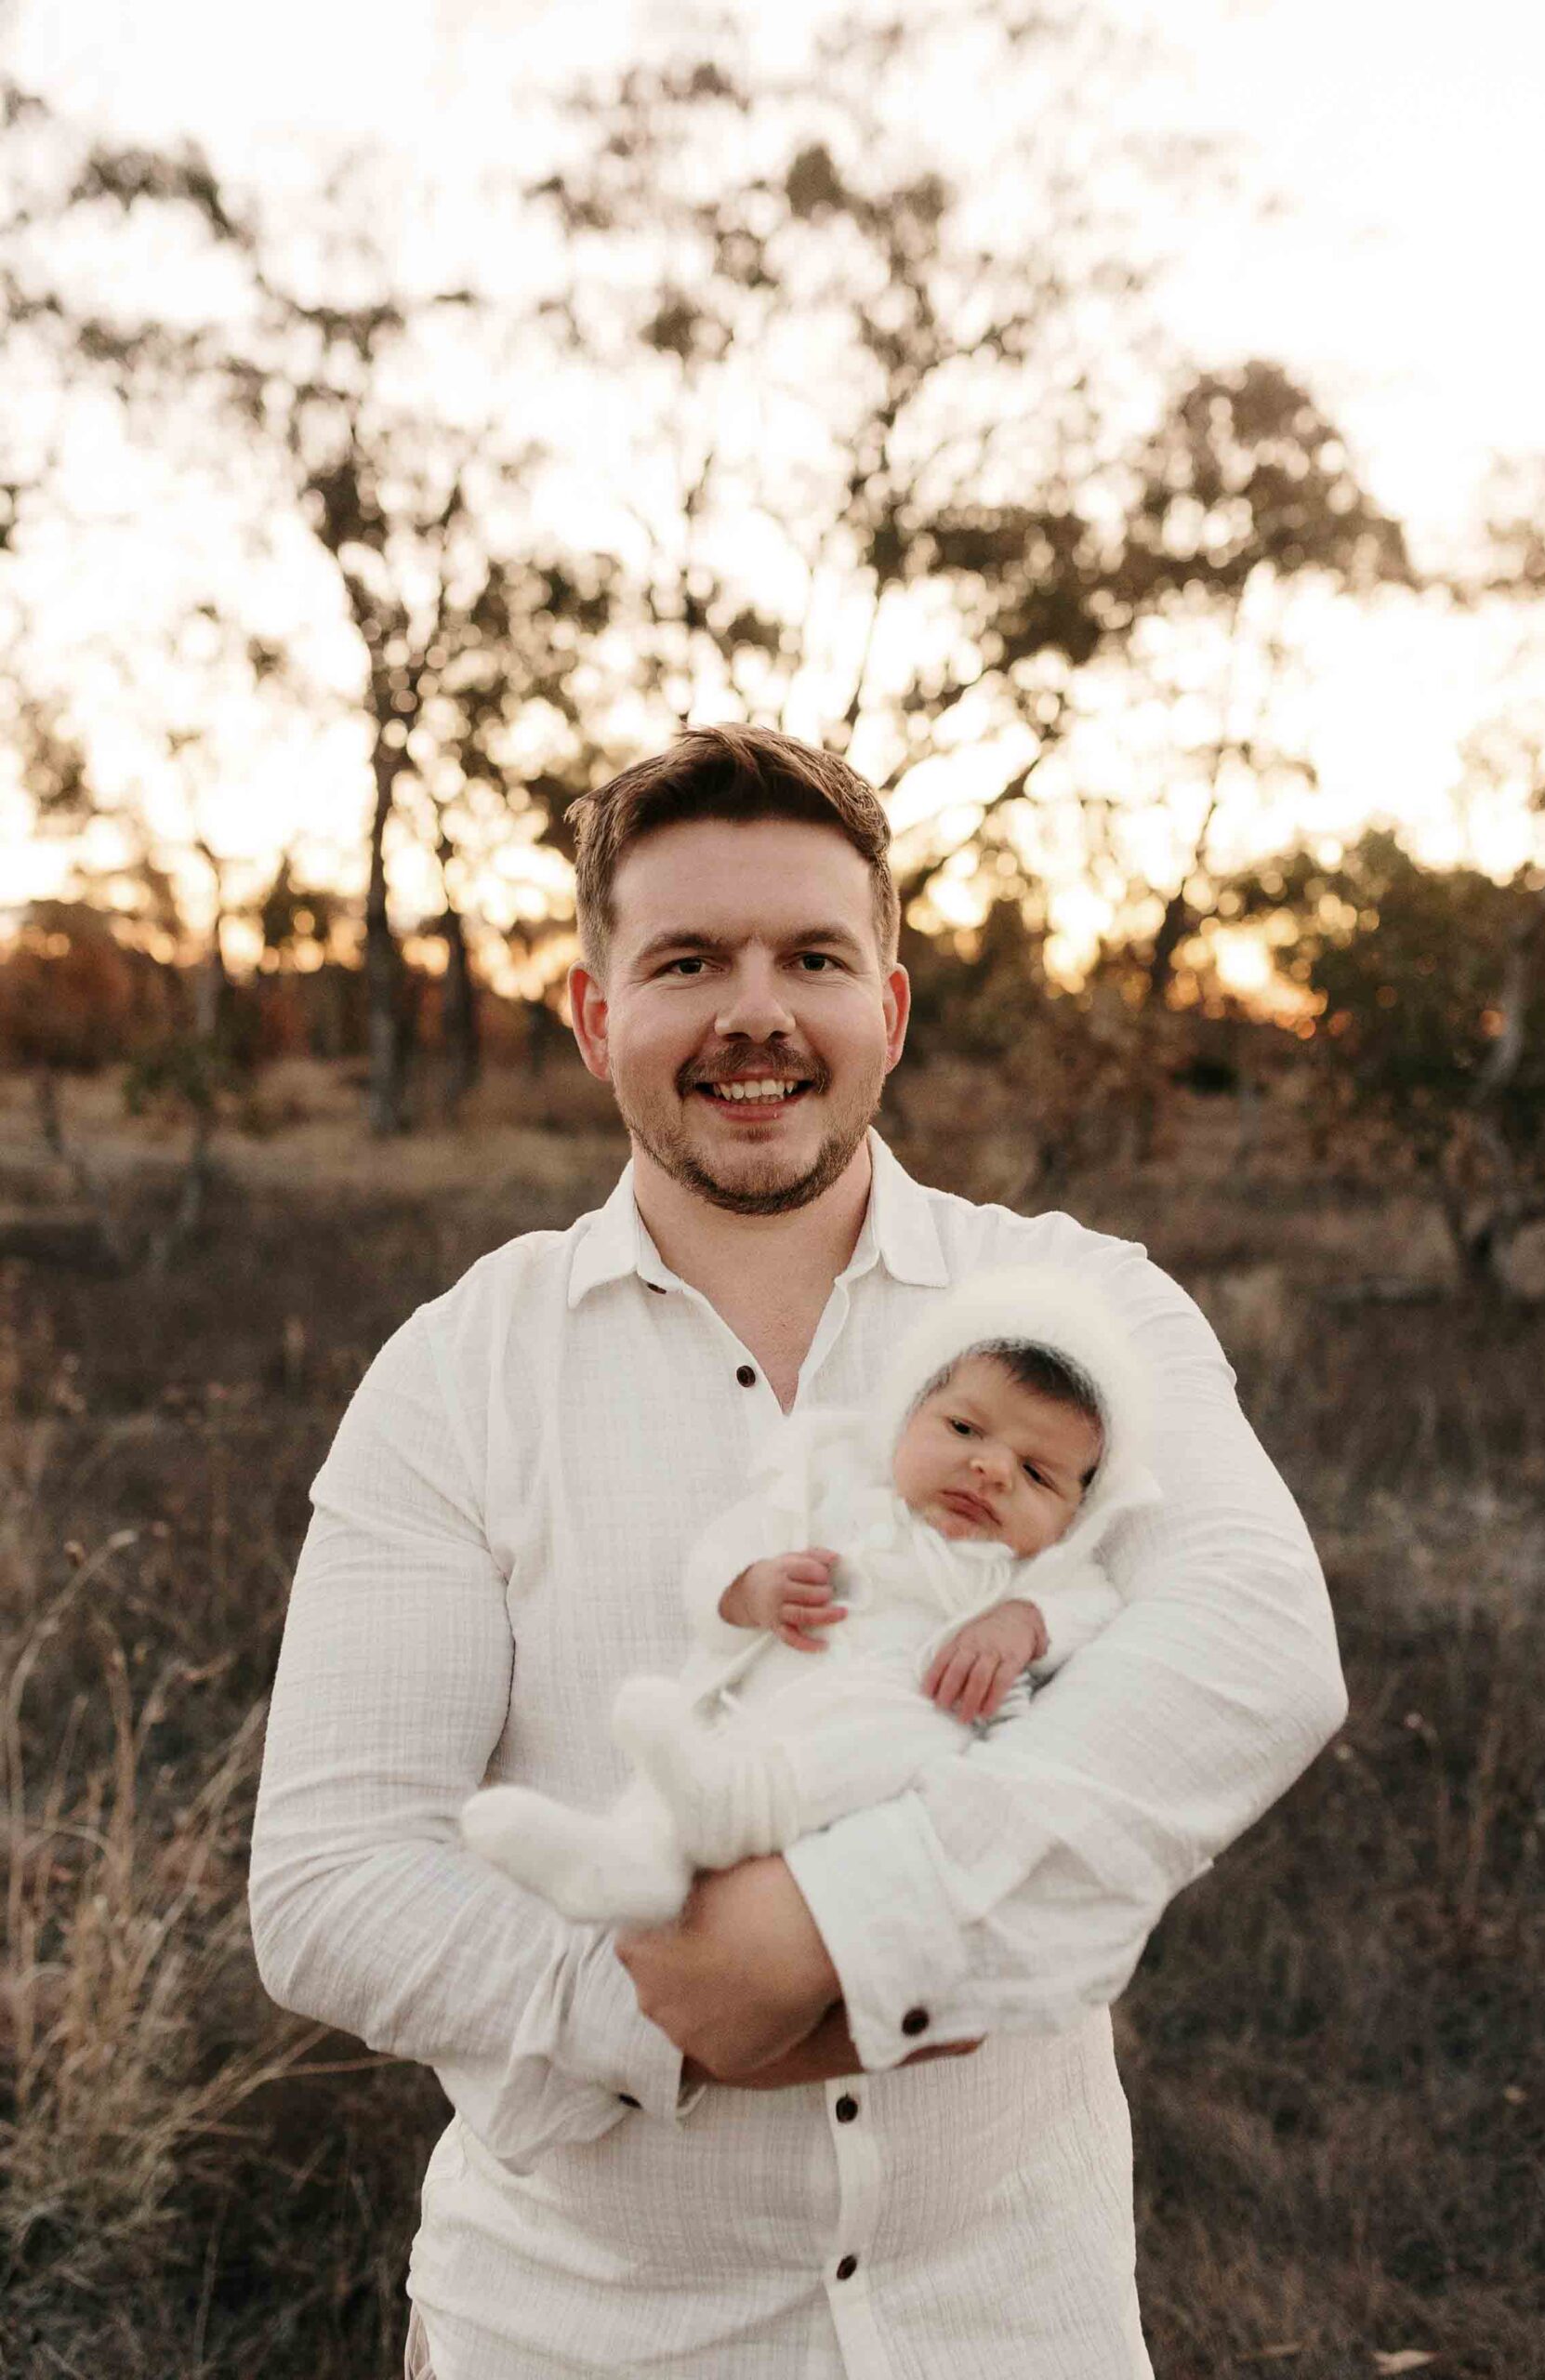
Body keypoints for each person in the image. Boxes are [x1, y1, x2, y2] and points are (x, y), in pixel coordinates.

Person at [249, 724, 1348, 2380]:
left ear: (886, 1011)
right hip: (579, 2333)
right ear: (596, 1011)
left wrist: (831, 1927)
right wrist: (663, 2007)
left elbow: (1254, 1641)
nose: (754, 1011)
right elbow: (332, 1882)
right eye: (688, 958)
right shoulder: (456, 1372)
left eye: (813, 958)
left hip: (1011, 2317)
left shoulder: (1082, 1306)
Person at [459, 1262, 1152, 1928]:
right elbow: (722, 1554)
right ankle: (633, 1862)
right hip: (767, 1703)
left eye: (1036, 1473)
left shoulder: (1040, 1573)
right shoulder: (834, 1486)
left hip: (901, 1730)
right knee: (699, 1730)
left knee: (901, 1737)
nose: (990, 1468)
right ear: (906, 1415)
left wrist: (1022, 1621)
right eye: (964, 1429)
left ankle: (737, 1812)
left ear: (1076, 1515)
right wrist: (751, 1589)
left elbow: (1093, 1607)